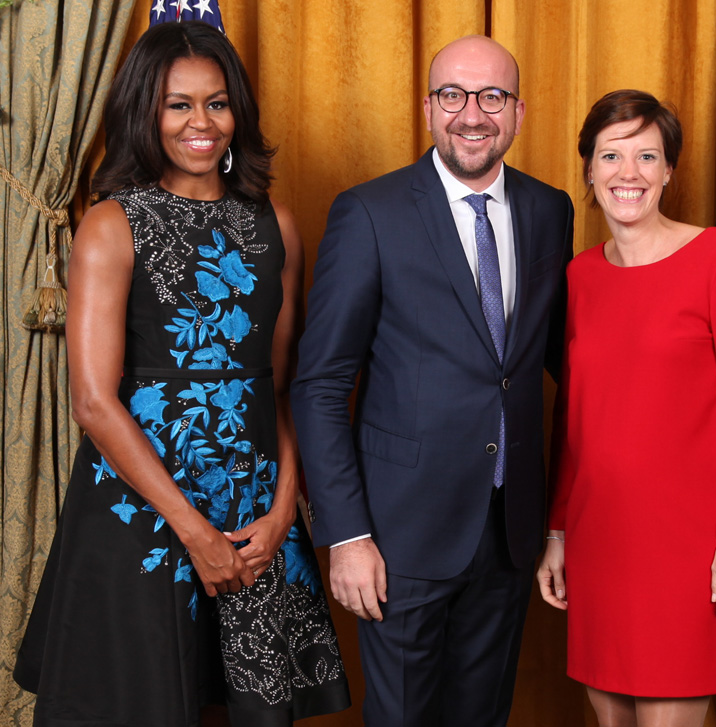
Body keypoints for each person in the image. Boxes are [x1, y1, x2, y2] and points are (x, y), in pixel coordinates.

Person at [14, 22, 350, 726]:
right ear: (145, 111)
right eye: (178, 104)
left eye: (217, 102)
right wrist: (194, 531)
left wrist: (286, 507)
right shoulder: (110, 224)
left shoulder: (277, 226)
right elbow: (92, 401)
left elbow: (283, 384)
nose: (203, 122)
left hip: (256, 515)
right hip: (145, 510)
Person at [290, 35, 574, 726]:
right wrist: (347, 534)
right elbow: (321, 382)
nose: (471, 114)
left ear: (518, 111)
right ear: (427, 108)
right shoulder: (371, 213)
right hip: (399, 536)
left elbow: (563, 361)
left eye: (491, 97)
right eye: (452, 95)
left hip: (509, 530)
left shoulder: (549, 210)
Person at [536, 89, 716, 727]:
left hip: (691, 548)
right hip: (598, 539)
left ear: (670, 169)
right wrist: (557, 531)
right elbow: (573, 420)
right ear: (588, 169)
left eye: (647, 156)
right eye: (612, 156)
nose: (629, 173)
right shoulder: (580, 276)